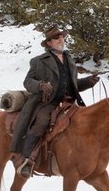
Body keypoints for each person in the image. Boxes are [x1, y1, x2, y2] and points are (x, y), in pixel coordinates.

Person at [10, 25, 99, 178]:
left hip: (70, 103)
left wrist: (88, 82)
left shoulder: (69, 60)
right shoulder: (38, 61)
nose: (61, 39)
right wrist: (40, 86)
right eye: (57, 37)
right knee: (41, 123)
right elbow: (27, 81)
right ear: (49, 43)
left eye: (62, 37)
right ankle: (27, 160)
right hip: (48, 103)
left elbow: (73, 84)